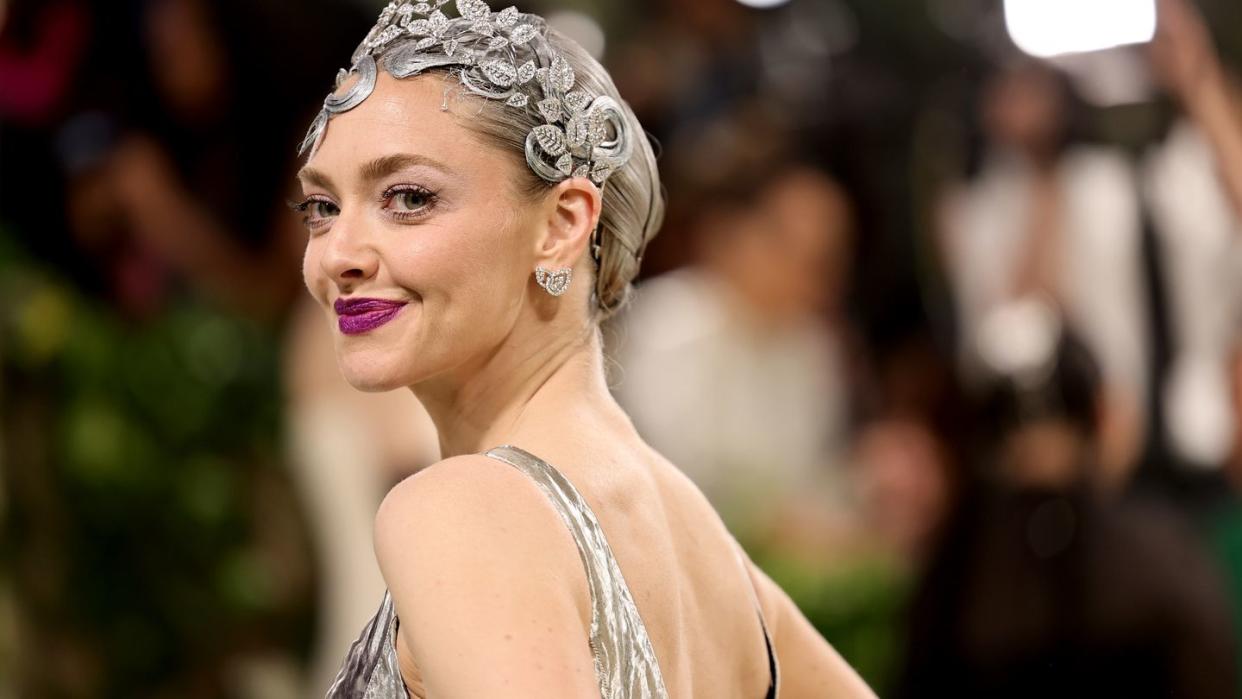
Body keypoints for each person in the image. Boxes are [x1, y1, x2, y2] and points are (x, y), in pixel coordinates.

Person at [292, 1, 875, 697]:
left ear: (563, 224)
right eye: (322, 207)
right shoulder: (700, 539)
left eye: (409, 197)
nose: (338, 256)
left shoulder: (464, 510)